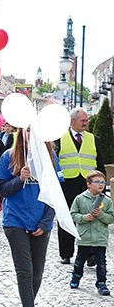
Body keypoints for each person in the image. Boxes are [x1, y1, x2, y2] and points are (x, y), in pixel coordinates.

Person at [0, 127, 62, 307]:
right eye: (28, 132)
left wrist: (45, 221)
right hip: (15, 221)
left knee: (37, 274)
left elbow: (56, 195)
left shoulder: (50, 157)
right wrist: (19, 179)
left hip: (41, 221)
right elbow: (2, 190)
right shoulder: (9, 156)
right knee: (25, 270)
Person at [55, 108, 104, 265]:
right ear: (72, 122)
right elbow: (53, 163)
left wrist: (101, 184)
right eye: (83, 120)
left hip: (88, 184)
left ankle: (90, 254)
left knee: (90, 218)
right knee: (66, 217)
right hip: (66, 184)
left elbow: (100, 163)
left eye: (86, 120)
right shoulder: (59, 138)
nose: (86, 123)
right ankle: (66, 253)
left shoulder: (94, 139)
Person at [69, 170, 112, 296]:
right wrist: (83, 218)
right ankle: (76, 277)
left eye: (103, 182)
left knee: (101, 262)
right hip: (85, 236)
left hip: (100, 237)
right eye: (97, 182)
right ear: (88, 184)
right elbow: (73, 214)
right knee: (80, 260)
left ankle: (101, 283)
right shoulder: (80, 199)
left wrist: (101, 215)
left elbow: (111, 218)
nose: (101, 185)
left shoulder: (107, 201)